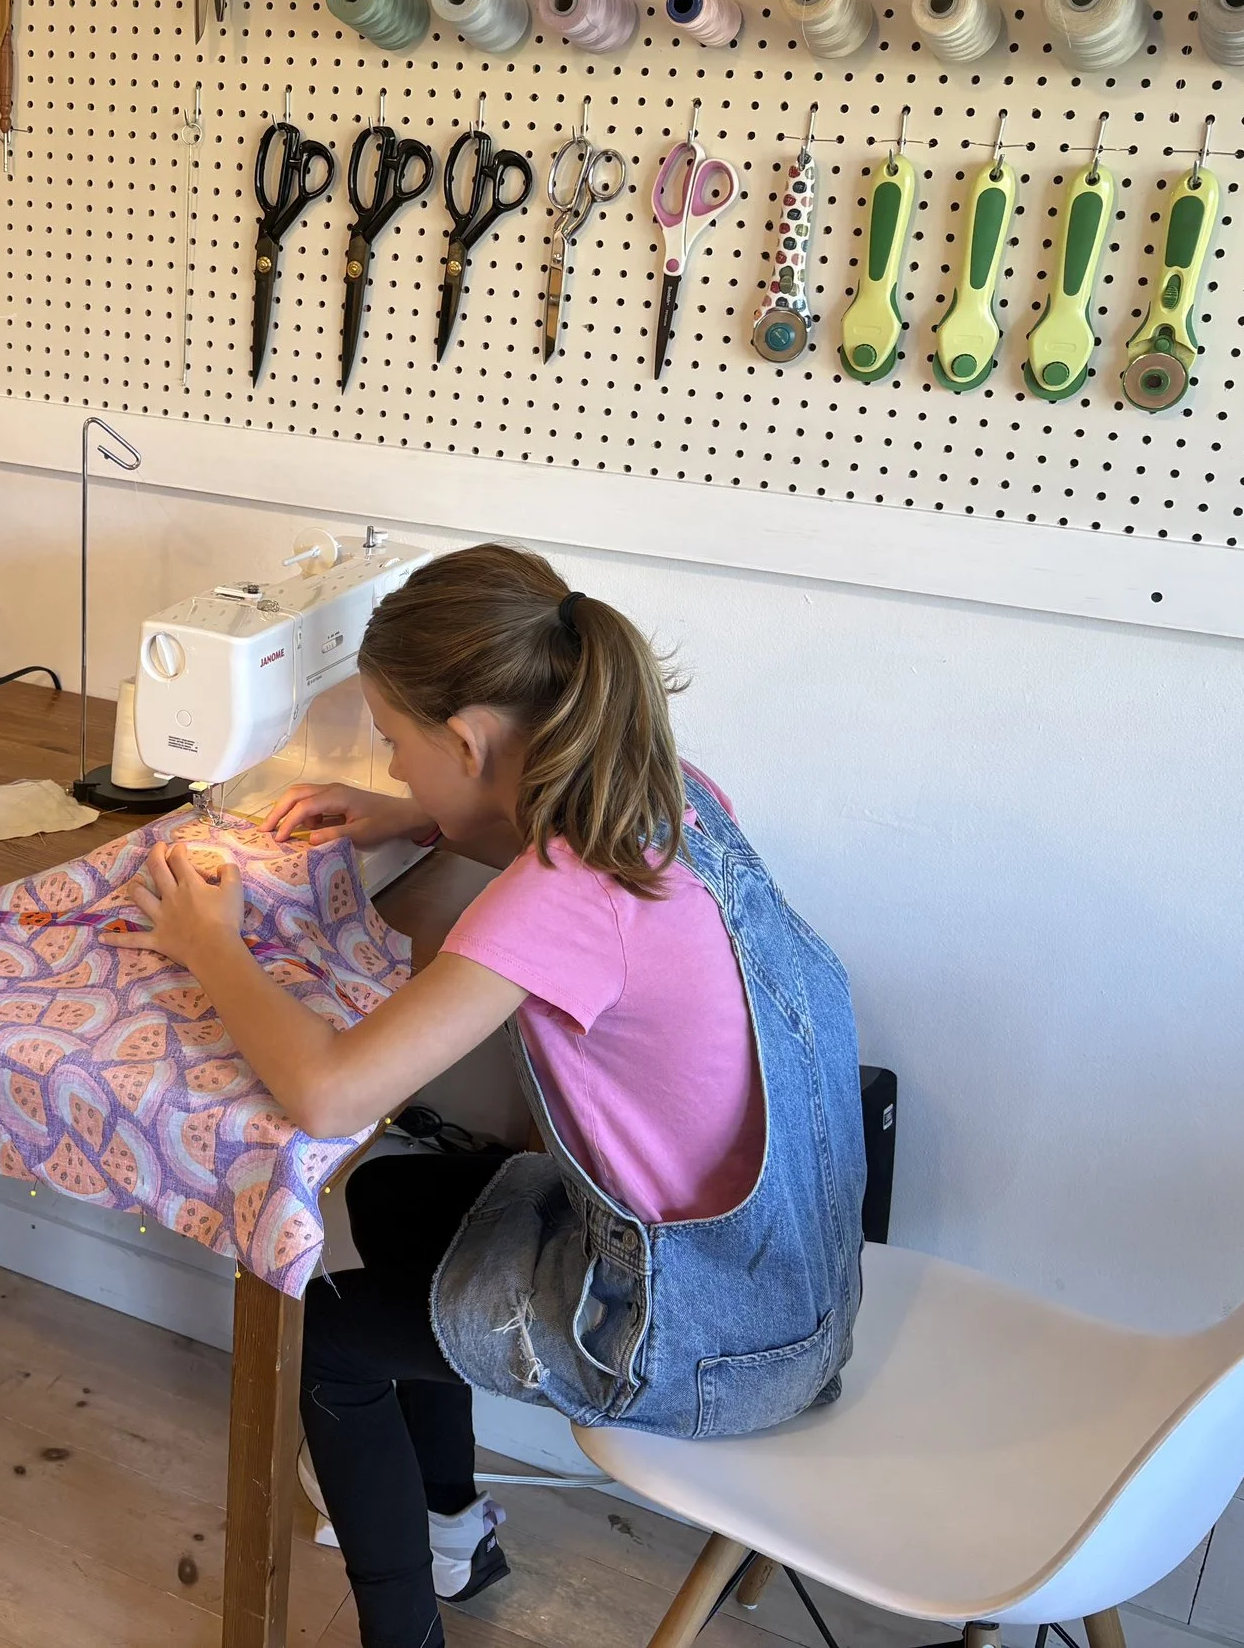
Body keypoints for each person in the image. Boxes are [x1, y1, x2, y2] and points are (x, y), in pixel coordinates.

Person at [128, 544, 866, 1648]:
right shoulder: (665, 798)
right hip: (782, 1275)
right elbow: (513, 840)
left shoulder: (558, 898)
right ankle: (453, 1535)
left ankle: (405, 1633)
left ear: (468, 740)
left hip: (693, 1333)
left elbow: (331, 1093)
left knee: (325, 1329)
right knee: (379, 1214)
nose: (389, 761)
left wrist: (212, 947)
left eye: (394, 745)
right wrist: (405, 815)